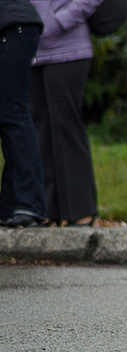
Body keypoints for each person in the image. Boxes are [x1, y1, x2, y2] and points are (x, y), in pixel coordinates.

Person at [29, 0, 104, 227]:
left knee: (66, 128)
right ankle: (46, 210)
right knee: (38, 131)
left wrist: (59, 20)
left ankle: (81, 212)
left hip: (68, 48)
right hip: (29, 50)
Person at [0, 0, 47, 228]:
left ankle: (29, 203)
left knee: (13, 113)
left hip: (13, 26)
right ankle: (10, 205)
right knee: (7, 115)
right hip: (14, 25)